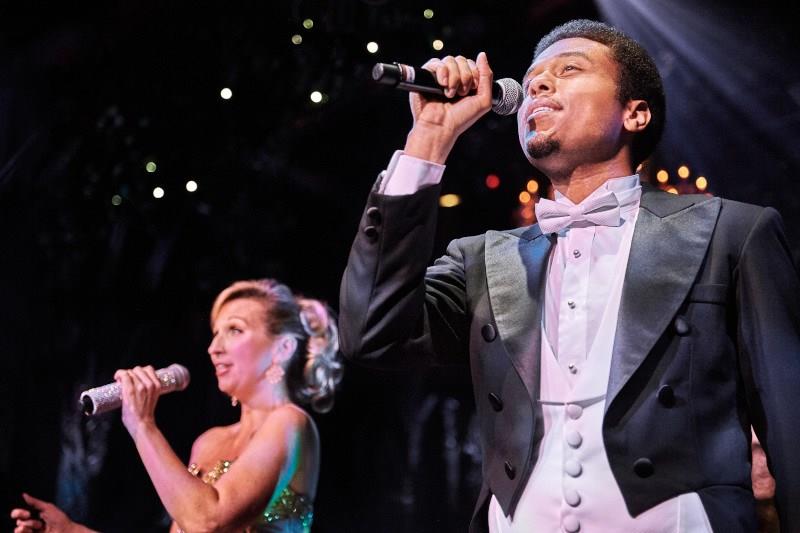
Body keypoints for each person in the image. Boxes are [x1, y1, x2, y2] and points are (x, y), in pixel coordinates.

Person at [339, 18, 800, 533]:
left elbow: (790, 420)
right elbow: (372, 332)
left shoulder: (732, 234)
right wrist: (429, 138)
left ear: (635, 113)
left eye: (569, 70)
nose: (538, 83)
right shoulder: (483, 260)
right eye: (532, 78)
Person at [11, 278, 342, 533]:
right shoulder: (209, 442)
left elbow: (209, 521)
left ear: (283, 348)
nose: (214, 347)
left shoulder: (290, 423)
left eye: (234, 330)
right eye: (215, 333)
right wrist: (74, 531)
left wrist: (143, 425)